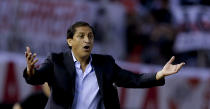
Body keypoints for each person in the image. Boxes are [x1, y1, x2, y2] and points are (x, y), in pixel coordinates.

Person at [23, 21, 185, 109]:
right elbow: (37, 77)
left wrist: (159, 74)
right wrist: (30, 71)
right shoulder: (56, 60)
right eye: (81, 36)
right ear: (70, 41)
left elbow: (133, 79)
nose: (87, 40)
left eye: (90, 36)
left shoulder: (105, 63)